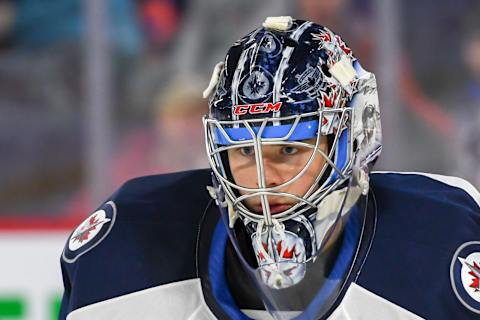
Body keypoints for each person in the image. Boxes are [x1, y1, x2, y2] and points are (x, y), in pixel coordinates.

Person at [59, 17, 480, 320]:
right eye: (243, 151)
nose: (263, 179)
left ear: (352, 139)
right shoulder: (126, 249)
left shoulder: (444, 247)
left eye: (288, 149)